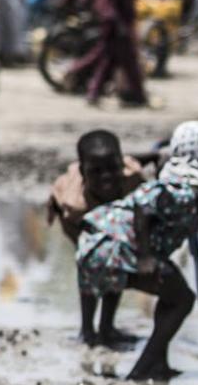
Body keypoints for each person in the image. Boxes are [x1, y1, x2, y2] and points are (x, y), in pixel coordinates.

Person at [76, 122, 198, 380]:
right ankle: (144, 367)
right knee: (182, 298)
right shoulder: (184, 190)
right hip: (110, 245)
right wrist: (145, 257)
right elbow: (143, 205)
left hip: (100, 244)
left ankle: (158, 363)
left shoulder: (192, 192)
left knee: (172, 294)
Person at [48, 129, 145, 345]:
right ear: (83, 172)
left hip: (116, 222)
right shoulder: (74, 204)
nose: (106, 177)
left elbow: (143, 209)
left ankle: (107, 327)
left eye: (113, 168)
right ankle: (87, 329)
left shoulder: (133, 180)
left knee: (117, 264)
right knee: (91, 268)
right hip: (77, 225)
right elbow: (85, 253)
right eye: (97, 172)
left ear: (121, 165)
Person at [61, 0, 149, 107]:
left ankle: (92, 89)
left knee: (107, 57)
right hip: (115, 20)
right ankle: (137, 95)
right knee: (124, 58)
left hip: (114, 19)